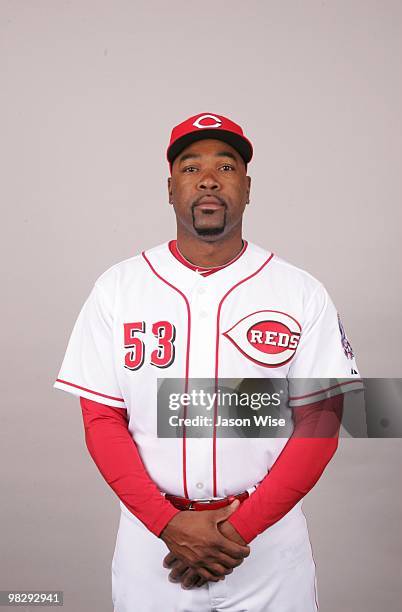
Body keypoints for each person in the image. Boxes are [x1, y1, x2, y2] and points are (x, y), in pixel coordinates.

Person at [54, 112, 363, 611]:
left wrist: (238, 529)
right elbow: (102, 419)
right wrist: (167, 525)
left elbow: (321, 422)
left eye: (227, 165)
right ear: (171, 188)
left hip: (266, 547)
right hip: (152, 548)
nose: (209, 179)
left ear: (247, 186)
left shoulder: (300, 291)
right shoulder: (118, 288)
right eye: (190, 166)